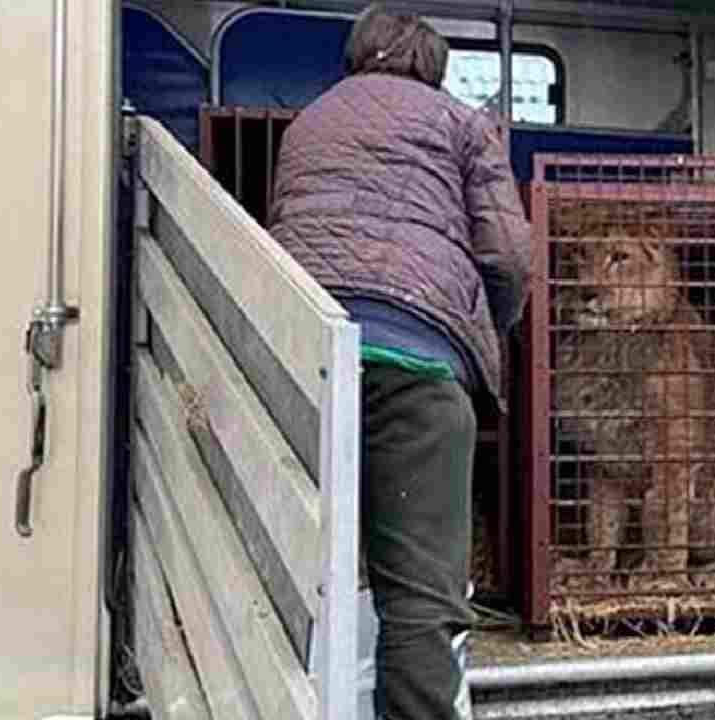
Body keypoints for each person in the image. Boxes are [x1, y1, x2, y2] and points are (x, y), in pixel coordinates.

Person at [266, 5, 531, 719]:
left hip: (306, 358)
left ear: (357, 54)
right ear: (435, 65)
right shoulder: (463, 125)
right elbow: (508, 254)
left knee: (307, 566)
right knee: (420, 590)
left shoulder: (308, 123)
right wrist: (484, 330)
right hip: (418, 362)